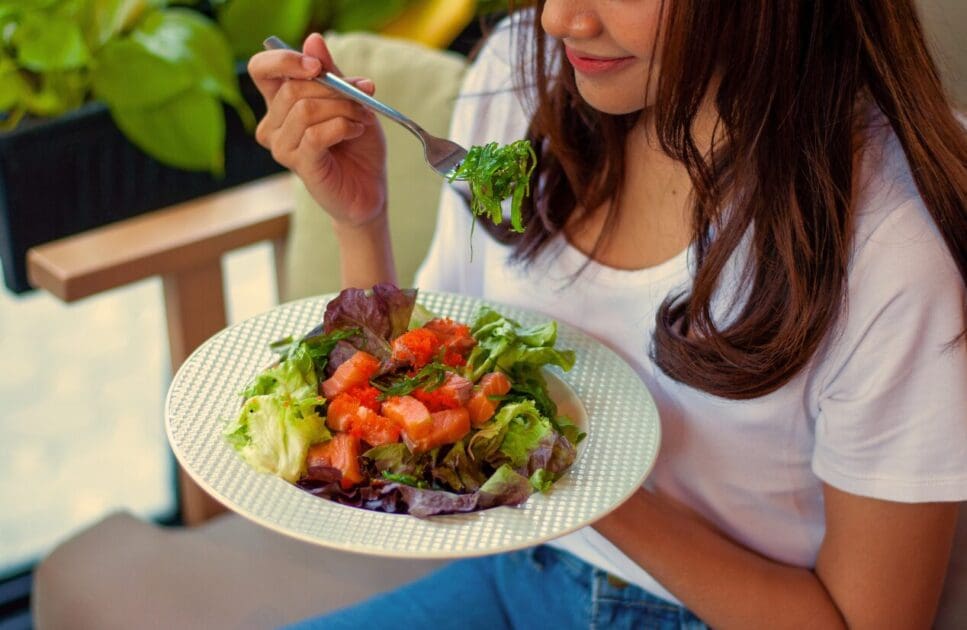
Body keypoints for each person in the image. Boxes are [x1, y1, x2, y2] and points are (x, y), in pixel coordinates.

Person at [247, 1, 967, 627]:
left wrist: (572, 472)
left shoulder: (885, 252)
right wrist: (360, 221)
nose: (559, 18)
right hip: (516, 569)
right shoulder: (518, 77)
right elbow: (415, 378)